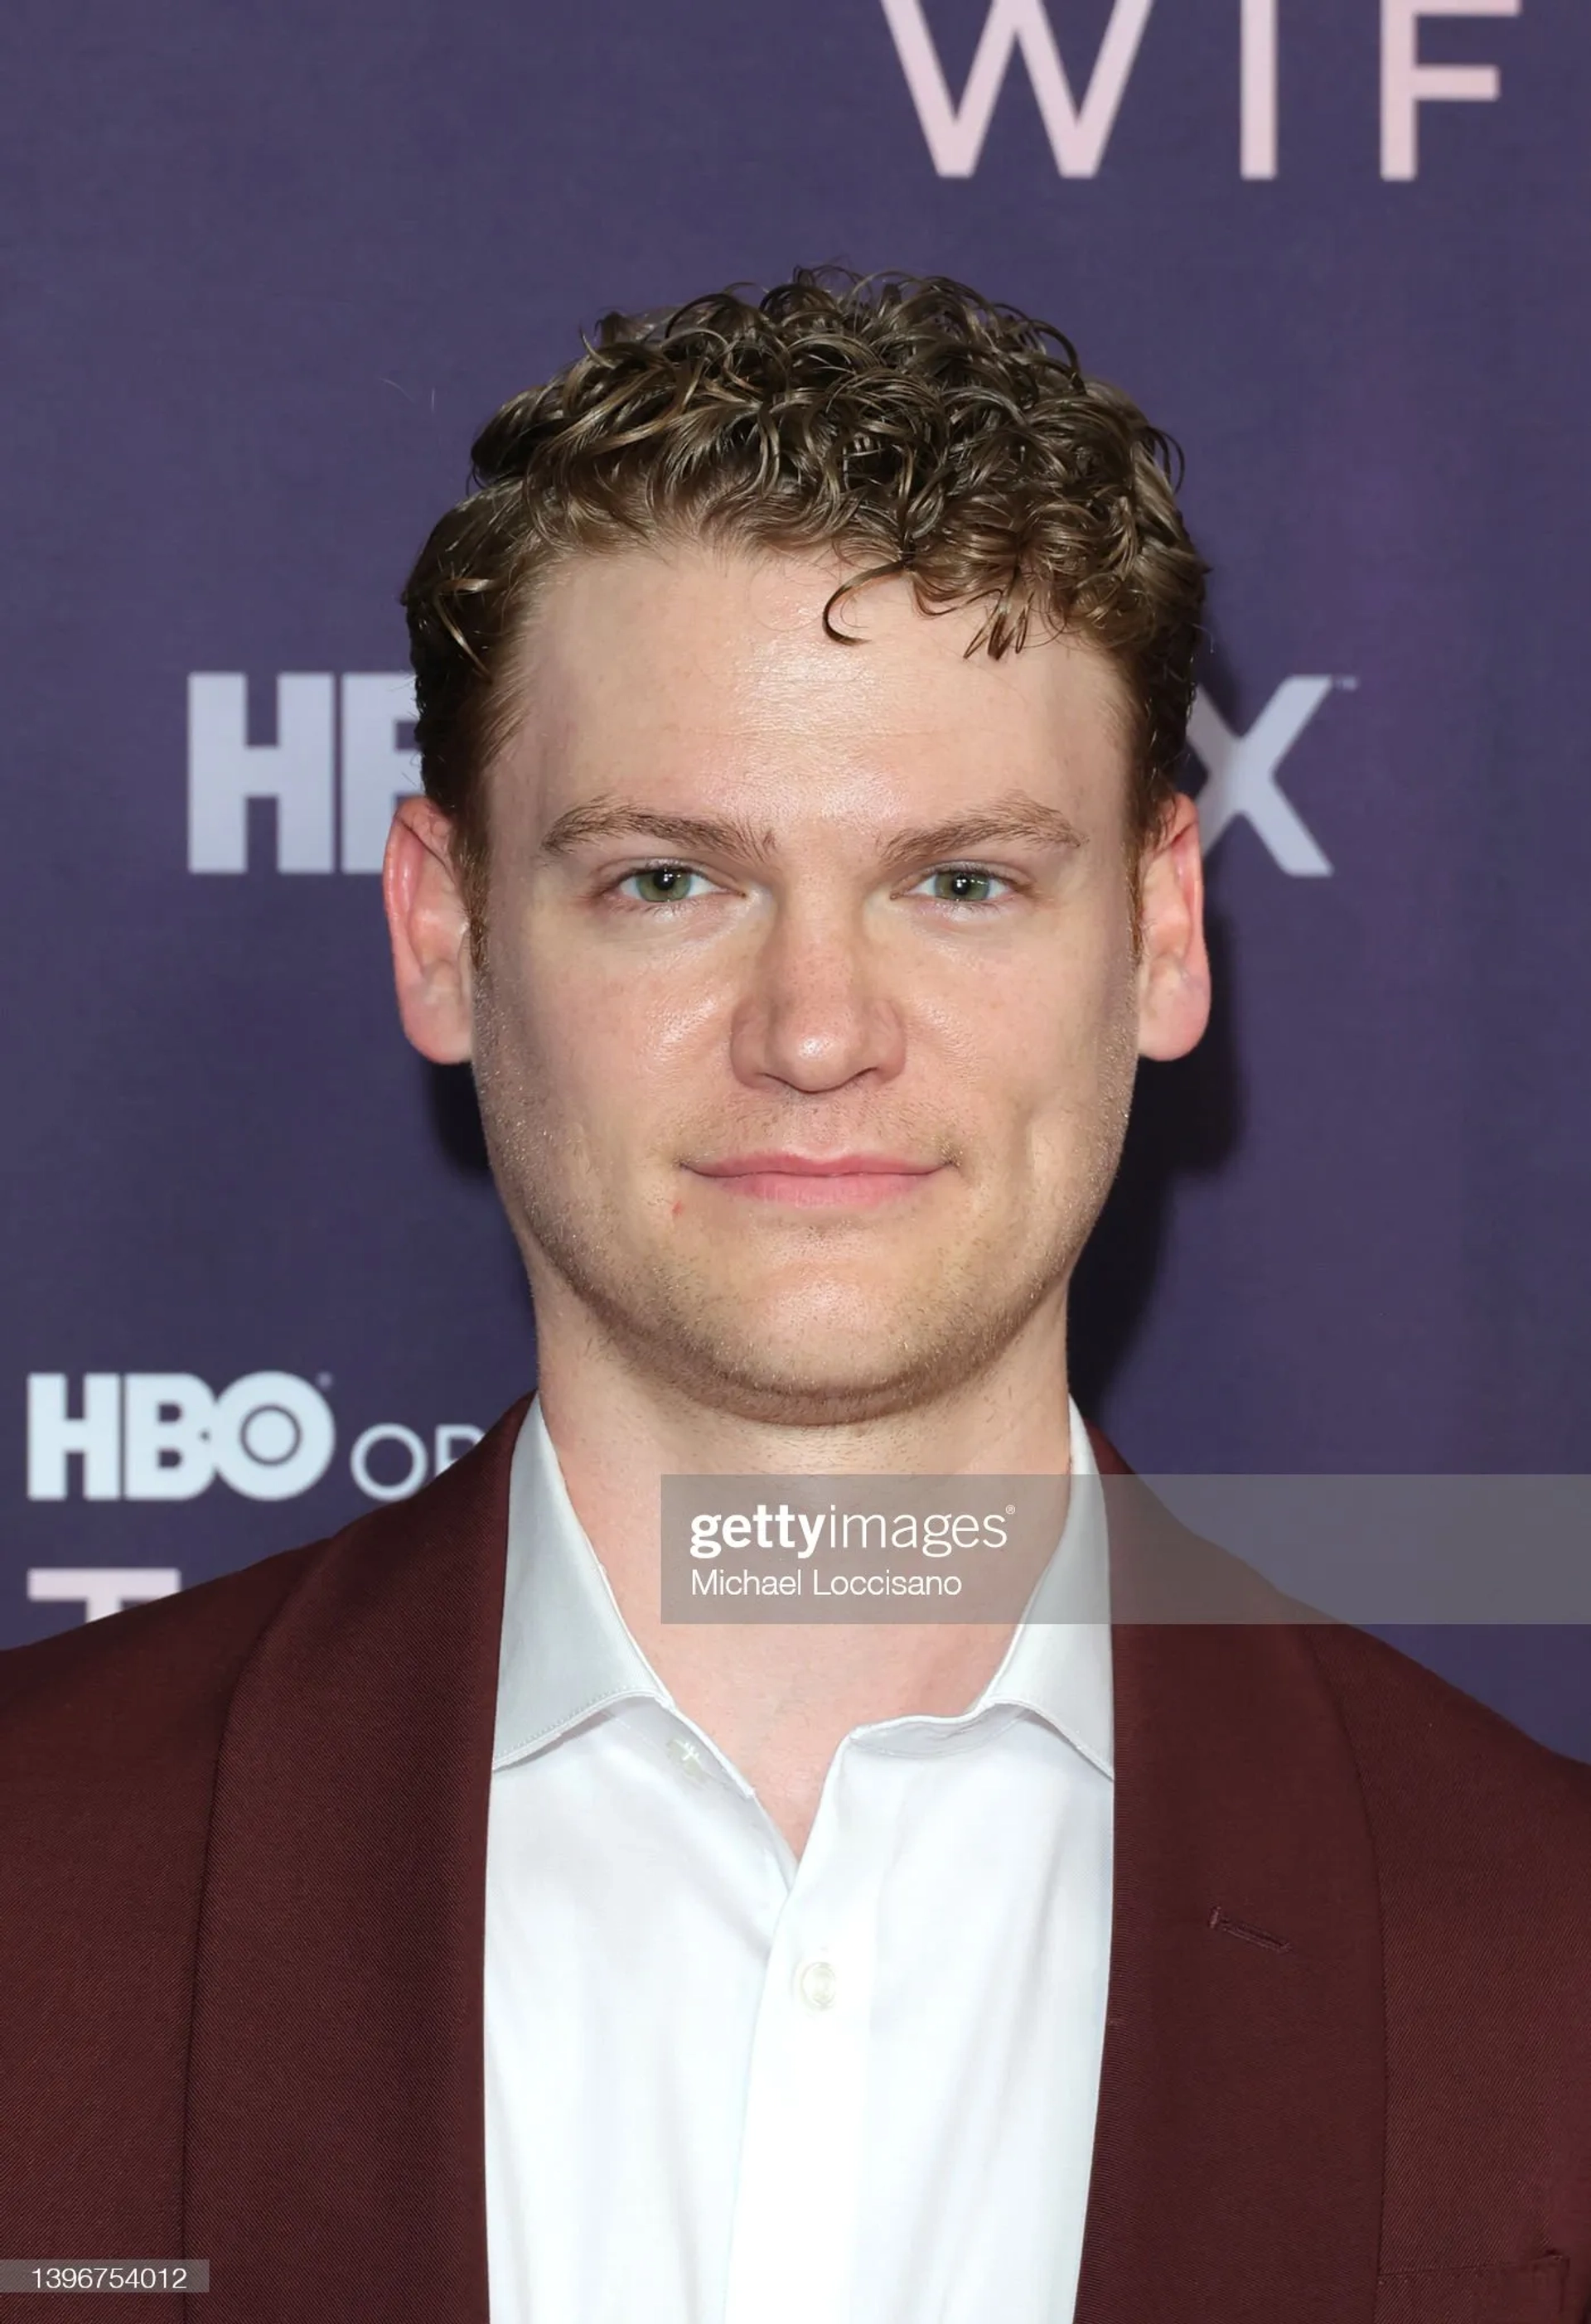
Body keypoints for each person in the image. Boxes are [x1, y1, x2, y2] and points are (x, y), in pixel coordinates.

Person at [2, 271, 1589, 2324]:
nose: (819, 1030)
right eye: (671, 878)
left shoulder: (1541, 1974)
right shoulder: (39, 1891)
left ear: (1166, 932)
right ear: (440, 929)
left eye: (962, 880)